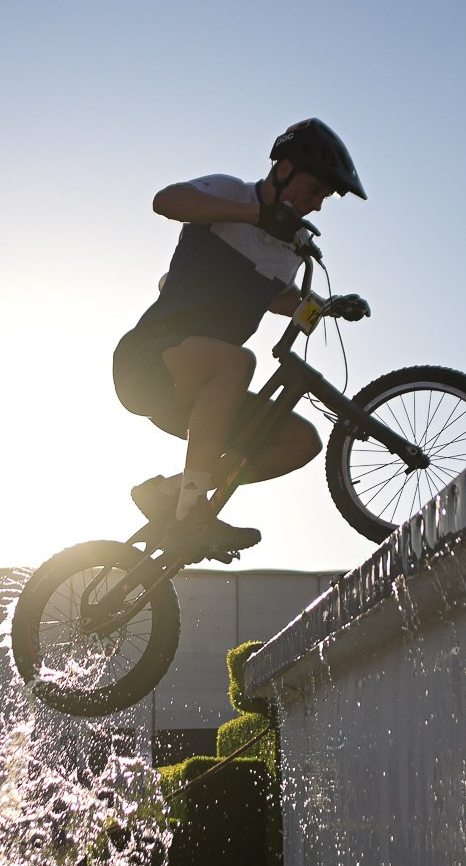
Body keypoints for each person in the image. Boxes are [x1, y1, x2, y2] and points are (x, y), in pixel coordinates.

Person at [112, 118, 371, 556]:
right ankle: (193, 511)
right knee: (238, 360)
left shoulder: (293, 244)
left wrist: (327, 307)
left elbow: (279, 298)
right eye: (313, 191)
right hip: (147, 363)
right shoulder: (230, 193)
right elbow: (165, 201)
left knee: (299, 440)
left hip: (200, 397)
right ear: (284, 169)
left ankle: (173, 494)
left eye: (323, 198)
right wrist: (257, 216)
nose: (316, 206)